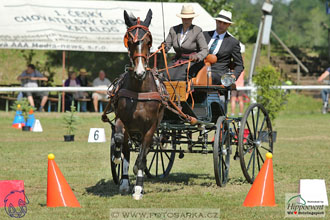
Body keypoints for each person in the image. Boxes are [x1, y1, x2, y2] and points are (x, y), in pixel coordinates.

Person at [163, 4, 208, 81]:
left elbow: (205, 49)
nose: (186, 20)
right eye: (184, 18)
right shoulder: (173, 30)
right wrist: (164, 47)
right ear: (181, 17)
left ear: (192, 18)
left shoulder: (197, 30)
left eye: (189, 18)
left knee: (179, 77)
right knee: (164, 75)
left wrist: (197, 56)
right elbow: (167, 46)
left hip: (192, 62)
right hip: (177, 60)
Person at [202, 9, 244, 84]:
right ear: (216, 21)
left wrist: (233, 77)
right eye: (219, 22)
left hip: (219, 75)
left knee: (208, 77)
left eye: (224, 23)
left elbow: (239, 65)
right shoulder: (204, 35)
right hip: (200, 70)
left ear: (229, 25)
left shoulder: (233, 42)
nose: (221, 25)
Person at [231, 43, 245, 116]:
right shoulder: (242, 69)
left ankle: (232, 113)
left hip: (234, 85)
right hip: (241, 85)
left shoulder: (233, 70)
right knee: (240, 99)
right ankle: (240, 113)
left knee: (233, 100)